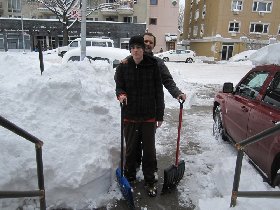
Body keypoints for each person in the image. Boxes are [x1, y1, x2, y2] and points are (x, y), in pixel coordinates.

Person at [115, 35, 165, 197]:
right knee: (130, 151)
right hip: (130, 116)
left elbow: (159, 92)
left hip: (148, 117)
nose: (136, 50)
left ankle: (150, 181)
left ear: (143, 49)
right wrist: (121, 95)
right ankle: (130, 177)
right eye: (133, 47)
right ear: (130, 49)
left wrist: (159, 116)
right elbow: (119, 87)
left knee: (149, 152)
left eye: (139, 47)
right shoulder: (123, 67)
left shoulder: (153, 66)